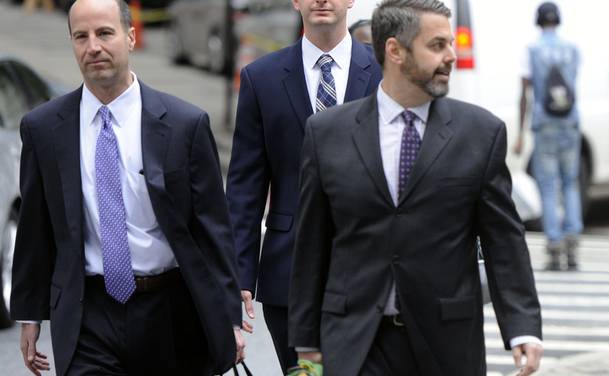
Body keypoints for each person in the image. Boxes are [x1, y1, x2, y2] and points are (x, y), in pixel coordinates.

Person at [288, 0, 543, 375]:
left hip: (446, 342)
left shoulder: (480, 134)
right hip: (356, 341)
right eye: (437, 45)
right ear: (395, 51)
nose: (452, 56)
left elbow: (503, 239)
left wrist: (523, 328)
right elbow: (312, 242)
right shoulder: (327, 134)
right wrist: (306, 340)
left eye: (451, 44)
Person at [10, 0, 244, 375]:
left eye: (104, 33)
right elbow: (35, 228)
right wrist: (29, 314)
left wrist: (229, 317)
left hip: (169, 310)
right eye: (81, 37)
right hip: (89, 312)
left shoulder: (185, 125)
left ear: (131, 37)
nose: (93, 47)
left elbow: (213, 230)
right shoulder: (44, 129)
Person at [225, 0, 382, 372]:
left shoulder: (384, 72)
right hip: (289, 276)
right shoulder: (261, 78)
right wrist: (236, 279)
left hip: (369, 274)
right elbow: (244, 190)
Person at [514, 1, 582, 271]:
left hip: (545, 124)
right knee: (570, 182)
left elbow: (525, 93)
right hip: (570, 122)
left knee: (549, 185)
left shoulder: (532, 50)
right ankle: (573, 241)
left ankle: (554, 245)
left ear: (538, 21)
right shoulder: (572, 49)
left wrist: (520, 132)